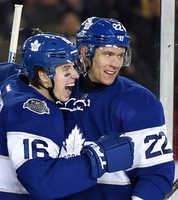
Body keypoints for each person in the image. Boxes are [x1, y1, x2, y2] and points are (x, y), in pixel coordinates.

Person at [0, 33, 134, 199]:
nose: (76, 75)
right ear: (43, 75)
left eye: (74, 66)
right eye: (66, 70)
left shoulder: (13, 82)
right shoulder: (33, 112)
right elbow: (42, 183)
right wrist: (97, 159)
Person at [60, 16, 175, 200]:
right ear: (84, 52)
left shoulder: (140, 102)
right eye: (108, 54)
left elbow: (156, 174)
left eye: (120, 55)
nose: (115, 64)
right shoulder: (58, 93)